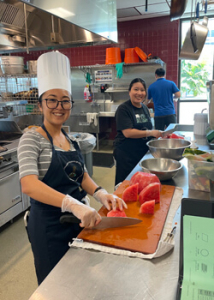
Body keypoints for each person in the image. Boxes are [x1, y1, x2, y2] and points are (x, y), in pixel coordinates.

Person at [17, 51, 127, 285]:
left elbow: (82, 176)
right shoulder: (31, 139)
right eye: (52, 99)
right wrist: (72, 204)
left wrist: (100, 194)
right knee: (55, 286)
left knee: (79, 280)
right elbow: (28, 184)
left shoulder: (70, 139)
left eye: (65, 100)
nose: (59, 106)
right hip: (48, 227)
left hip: (80, 222)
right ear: (40, 104)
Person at [113, 78, 163, 186]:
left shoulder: (144, 108)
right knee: (126, 184)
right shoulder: (123, 109)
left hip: (141, 152)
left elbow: (147, 127)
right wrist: (150, 133)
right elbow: (128, 132)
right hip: (126, 154)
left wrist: (157, 136)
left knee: (140, 184)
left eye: (142, 90)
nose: (139, 93)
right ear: (129, 91)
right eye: (136, 89)